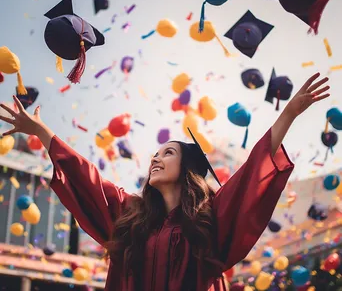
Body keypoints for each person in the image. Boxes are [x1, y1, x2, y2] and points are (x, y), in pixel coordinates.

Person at [0, 73, 330, 291]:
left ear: (187, 167)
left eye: (167, 153)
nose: (155, 159)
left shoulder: (209, 219)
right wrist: (43, 132)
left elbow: (249, 177)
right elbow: (87, 177)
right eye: (155, 154)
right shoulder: (129, 215)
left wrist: (287, 115)